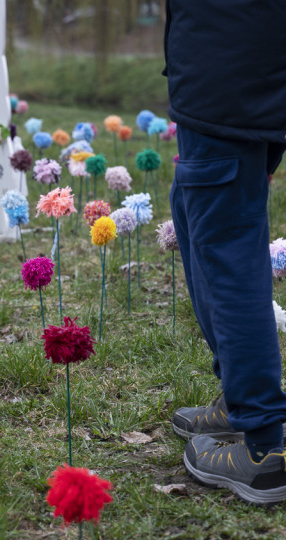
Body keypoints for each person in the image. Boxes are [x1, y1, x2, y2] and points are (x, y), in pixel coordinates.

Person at [167, 0, 286, 504]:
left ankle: (264, 448)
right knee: (198, 216)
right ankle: (241, 400)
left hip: (230, 71)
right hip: (239, 66)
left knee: (227, 247)